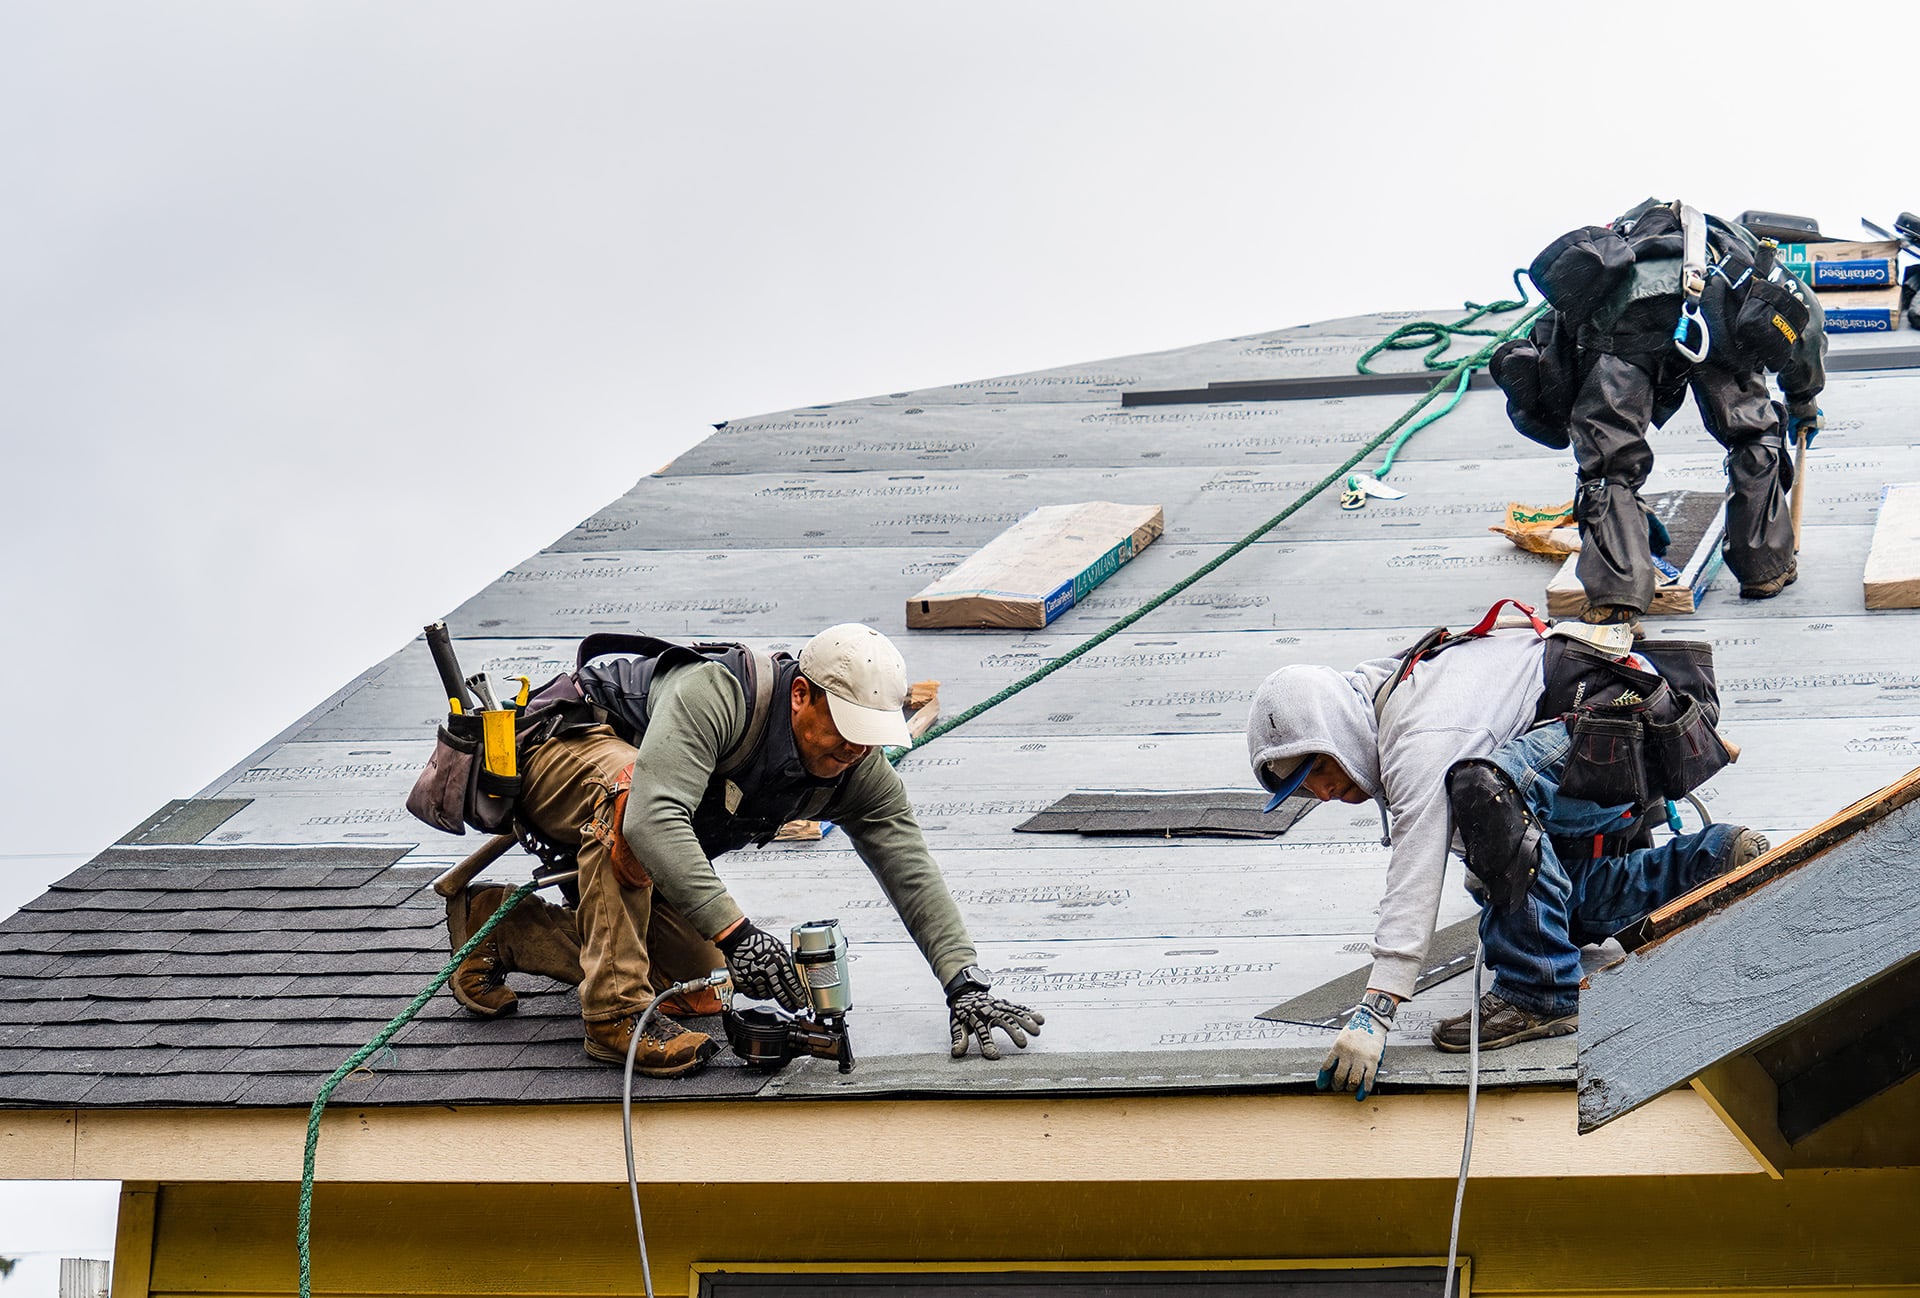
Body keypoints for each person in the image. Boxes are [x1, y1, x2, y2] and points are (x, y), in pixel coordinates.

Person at [446, 623, 1042, 1077]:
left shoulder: (856, 767)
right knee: (630, 796)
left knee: (701, 985)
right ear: (801, 696)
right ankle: (612, 1017)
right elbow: (654, 819)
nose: (856, 751)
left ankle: (502, 930)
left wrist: (964, 982)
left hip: (628, 846)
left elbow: (909, 865)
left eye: (870, 738)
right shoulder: (718, 694)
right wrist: (739, 933)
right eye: (846, 731)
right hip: (563, 753)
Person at [1244, 615, 1769, 1100]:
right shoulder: (1381, 697)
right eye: (1302, 789)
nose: (1322, 792)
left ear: (1336, 729)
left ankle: (1537, 991)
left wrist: (1376, 1011)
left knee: (1480, 789)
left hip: (1630, 730)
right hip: (1611, 748)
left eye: (1316, 769)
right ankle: (1711, 862)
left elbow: (1415, 867)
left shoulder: (1420, 731)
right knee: (1552, 910)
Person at [1490, 200, 1828, 625]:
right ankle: (1764, 567)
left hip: (1622, 331)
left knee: (1609, 462)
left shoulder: (1606, 260)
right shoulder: (1732, 245)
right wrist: (1803, 399)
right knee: (1752, 432)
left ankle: (1617, 594)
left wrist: (1622, 510)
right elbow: (1805, 321)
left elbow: (1555, 360)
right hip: (1714, 312)